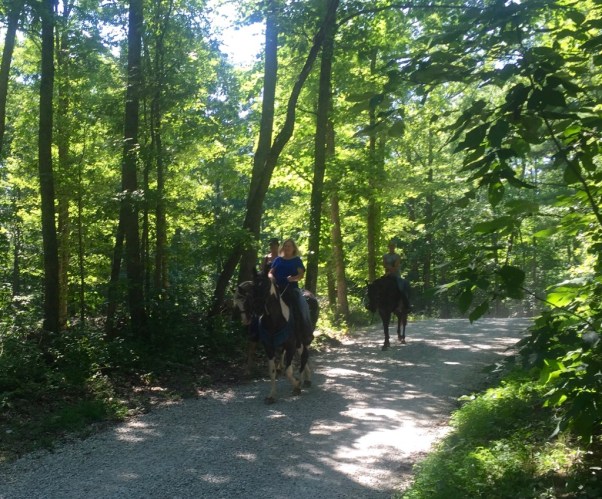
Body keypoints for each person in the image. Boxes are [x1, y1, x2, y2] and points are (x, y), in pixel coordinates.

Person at [268, 238, 313, 342]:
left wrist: (293, 278)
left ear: (293, 248)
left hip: (291, 289)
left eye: (289, 246)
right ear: (282, 247)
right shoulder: (277, 260)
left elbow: (301, 275)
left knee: (302, 306)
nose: (287, 248)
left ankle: (306, 330)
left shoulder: (297, 260)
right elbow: (270, 272)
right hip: (277, 288)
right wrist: (271, 277)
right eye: (285, 246)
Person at [383, 240, 411, 311]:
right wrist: (388, 271)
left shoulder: (397, 256)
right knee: (378, 287)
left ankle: (403, 304)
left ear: (394, 247)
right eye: (390, 246)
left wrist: (390, 270)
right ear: (388, 247)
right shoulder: (385, 256)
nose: (391, 248)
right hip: (387, 275)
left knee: (401, 288)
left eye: (393, 246)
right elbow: (384, 265)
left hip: (396, 275)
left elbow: (396, 266)